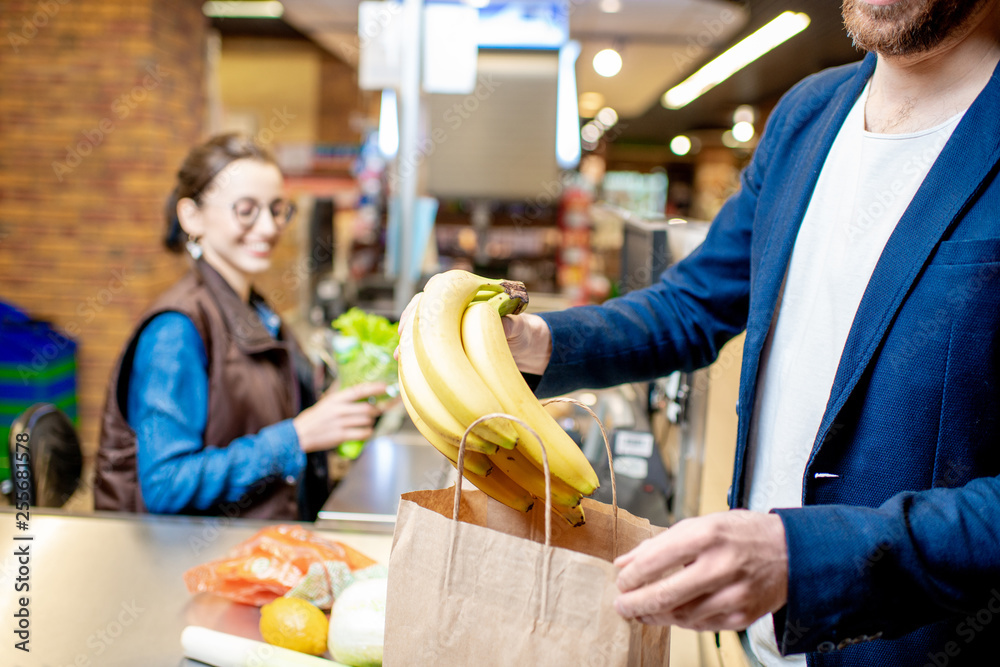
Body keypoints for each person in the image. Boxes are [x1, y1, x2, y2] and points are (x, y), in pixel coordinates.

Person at [493, 1, 1000, 665]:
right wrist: (533, 341)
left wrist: (805, 558)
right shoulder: (805, 117)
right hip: (758, 645)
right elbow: (693, 304)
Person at [95, 134, 385, 520]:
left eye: (277, 209)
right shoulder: (176, 329)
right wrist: (296, 438)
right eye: (246, 210)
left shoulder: (257, 311)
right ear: (191, 216)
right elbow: (165, 484)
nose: (268, 228)